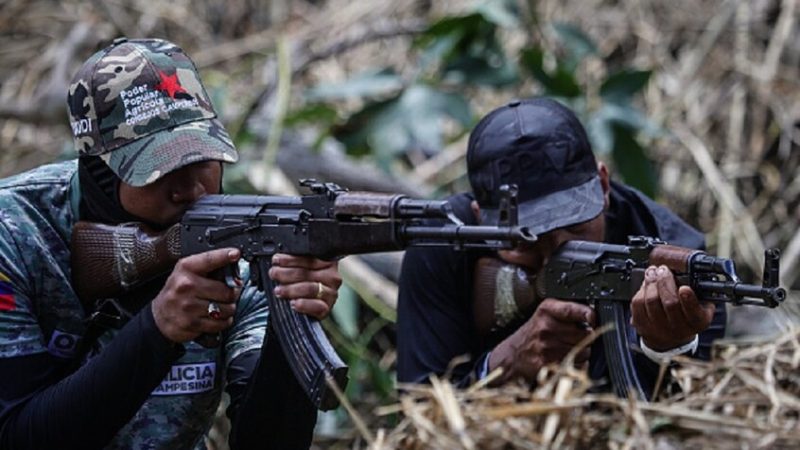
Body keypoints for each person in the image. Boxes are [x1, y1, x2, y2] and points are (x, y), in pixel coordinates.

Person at [0, 38, 340, 449]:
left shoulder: (246, 247)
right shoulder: (15, 232)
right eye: (158, 170)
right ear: (101, 175)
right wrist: (157, 330)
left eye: (202, 159)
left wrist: (292, 316)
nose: (192, 190)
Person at [396, 98, 726, 393]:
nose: (556, 254)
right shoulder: (443, 239)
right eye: (525, 241)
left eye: (575, 227)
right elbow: (419, 408)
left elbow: (679, 418)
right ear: (481, 219)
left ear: (603, 185)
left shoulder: (680, 264)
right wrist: (506, 363)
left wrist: (664, 348)